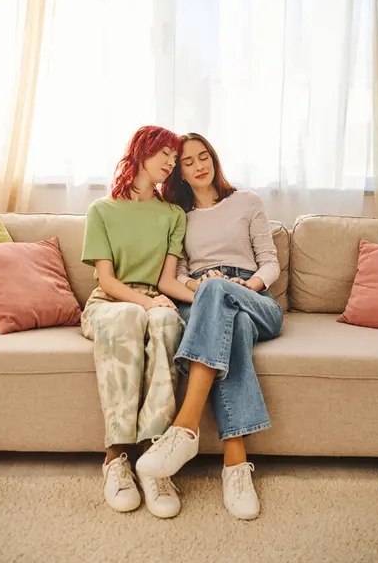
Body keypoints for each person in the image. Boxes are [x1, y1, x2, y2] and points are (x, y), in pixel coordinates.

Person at [136, 132, 283, 520]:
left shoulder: (247, 202)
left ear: (215, 160)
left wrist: (246, 284)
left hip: (254, 298)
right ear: (180, 174)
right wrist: (200, 287)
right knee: (228, 324)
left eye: (205, 157)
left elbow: (270, 262)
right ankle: (236, 466)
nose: (200, 165)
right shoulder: (179, 217)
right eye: (188, 162)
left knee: (224, 296)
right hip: (205, 300)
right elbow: (180, 273)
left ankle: (184, 428)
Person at [81, 125, 194, 519]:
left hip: (155, 298)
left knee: (167, 322)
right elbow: (107, 281)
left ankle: (154, 459)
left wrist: (209, 298)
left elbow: (166, 281)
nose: (170, 163)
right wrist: (144, 303)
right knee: (133, 314)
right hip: (112, 302)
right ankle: (116, 457)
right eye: (165, 153)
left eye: (175, 159)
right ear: (142, 150)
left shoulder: (173, 215)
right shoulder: (101, 210)